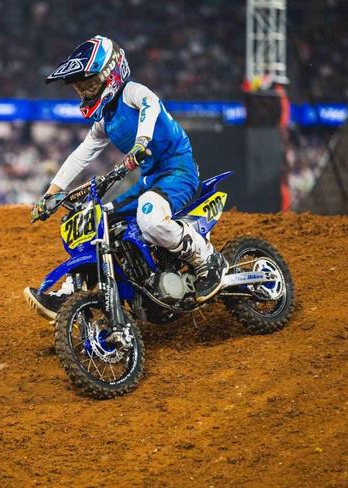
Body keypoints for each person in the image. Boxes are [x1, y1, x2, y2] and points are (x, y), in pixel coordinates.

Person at [24, 35, 227, 320]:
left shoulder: (132, 92)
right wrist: (51, 194)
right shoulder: (104, 120)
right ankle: (73, 292)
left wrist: (141, 142)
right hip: (150, 180)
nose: (84, 93)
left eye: (89, 84)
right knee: (100, 221)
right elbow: (81, 154)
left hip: (177, 170)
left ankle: (208, 261)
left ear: (111, 74)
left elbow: (150, 106)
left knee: (151, 217)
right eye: (80, 88)